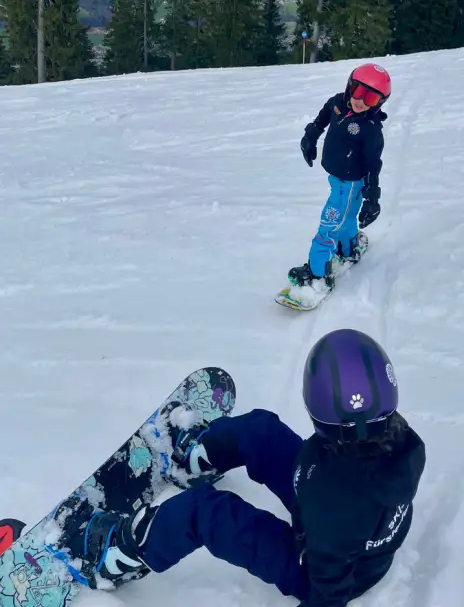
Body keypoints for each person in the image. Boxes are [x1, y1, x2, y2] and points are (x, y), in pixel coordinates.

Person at [51, 328, 426, 607]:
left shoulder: (334, 506)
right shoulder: (398, 440)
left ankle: (120, 554)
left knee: (205, 512)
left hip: (318, 568)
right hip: (337, 517)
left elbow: (329, 593)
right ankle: (196, 458)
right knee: (261, 432)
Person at [288, 63, 392, 292]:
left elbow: (374, 164)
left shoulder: (370, 127)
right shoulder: (337, 102)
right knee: (345, 218)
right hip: (338, 179)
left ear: (379, 103)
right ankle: (349, 246)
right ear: (349, 86)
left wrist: (372, 198)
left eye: (371, 98)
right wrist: (310, 137)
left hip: (351, 184)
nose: (360, 101)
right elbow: (322, 118)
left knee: (328, 225)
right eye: (357, 90)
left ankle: (317, 273)